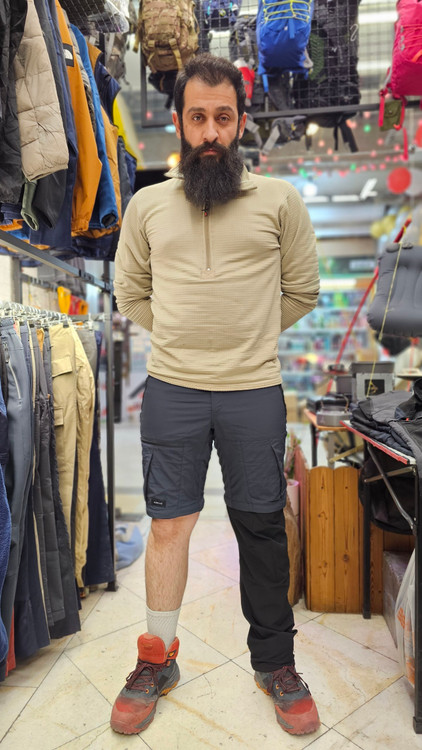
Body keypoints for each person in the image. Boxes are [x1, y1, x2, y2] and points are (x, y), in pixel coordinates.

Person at [111, 53, 320, 737]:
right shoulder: (146, 205)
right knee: (168, 525)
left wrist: (245, 335)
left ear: (241, 122)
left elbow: (302, 290)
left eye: (222, 118)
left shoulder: (279, 202)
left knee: (260, 525)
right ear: (178, 122)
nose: (210, 131)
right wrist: (182, 336)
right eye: (197, 117)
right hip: (171, 388)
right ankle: (156, 659)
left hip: (253, 389)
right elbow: (129, 292)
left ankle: (276, 664)